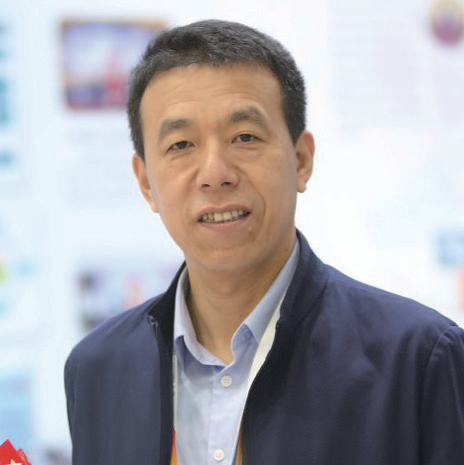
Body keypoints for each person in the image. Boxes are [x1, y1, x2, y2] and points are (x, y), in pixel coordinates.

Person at [64, 19, 464, 465]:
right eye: (181, 145)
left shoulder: (418, 358)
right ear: (145, 182)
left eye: (245, 137)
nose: (215, 173)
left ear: (301, 160)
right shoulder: (97, 369)